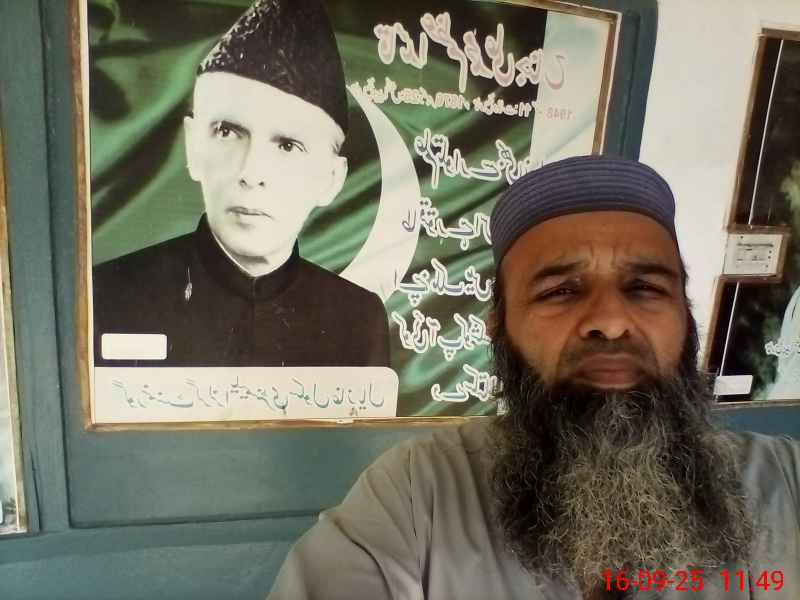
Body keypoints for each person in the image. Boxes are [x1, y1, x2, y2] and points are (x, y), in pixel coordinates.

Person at [267, 155, 800, 599]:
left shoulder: (786, 487)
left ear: (685, 314)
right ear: (499, 326)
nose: (611, 321)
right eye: (561, 291)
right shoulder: (416, 496)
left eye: (645, 288)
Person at [92, 0, 390, 367]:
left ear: (331, 179)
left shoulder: (358, 321)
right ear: (193, 146)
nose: (251, 172)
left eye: (287, 145)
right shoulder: (107, 297)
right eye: (227, 132)